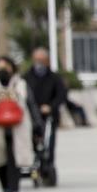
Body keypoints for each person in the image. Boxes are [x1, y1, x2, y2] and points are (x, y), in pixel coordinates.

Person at [23, 48, 66, 184]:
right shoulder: (26, 78)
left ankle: (48, 168)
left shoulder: (54, 78)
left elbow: (61, 95)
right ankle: (35, 167)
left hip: (49, 117)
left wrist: (51, 107)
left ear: (47, 61)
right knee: (34, 145)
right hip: (31, 118)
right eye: (37, 60)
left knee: (49, 145)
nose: (39, 63)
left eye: (42, 60)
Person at [0, 56, 26, 192]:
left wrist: (38, 126)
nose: (3, 70)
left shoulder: (20, 83)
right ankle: (6, 189)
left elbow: (27, 103)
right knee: (0, 160)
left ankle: (14, 191)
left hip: (17, 127)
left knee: (15, 160)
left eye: (6, 66)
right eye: (0, 67)